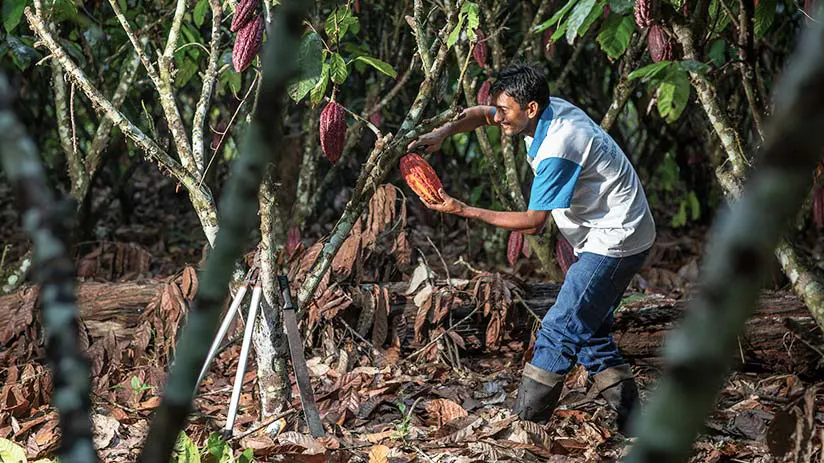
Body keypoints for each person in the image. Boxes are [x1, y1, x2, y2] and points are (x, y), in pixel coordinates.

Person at [407, 63, 656, 434]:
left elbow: (533, 222)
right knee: (589, 332)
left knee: (560, 328)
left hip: (616, 238)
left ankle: (524, 428)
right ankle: (634, 424)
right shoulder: (538, 109)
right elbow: (481, 114)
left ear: (531, 108)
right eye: (500, 109)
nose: (498, 116)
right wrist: (443, 132)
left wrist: (463, 209)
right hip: (606, 233)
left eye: (505, 111)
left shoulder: (560, 144)